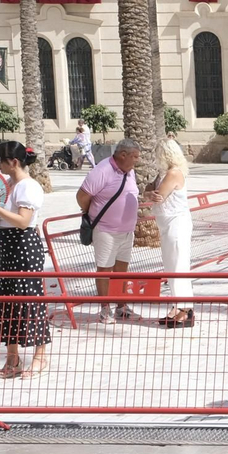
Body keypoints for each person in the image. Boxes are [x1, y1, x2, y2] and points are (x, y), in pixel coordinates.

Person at [0, 141, 51, 378]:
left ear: (14, 162)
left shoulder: (28, 186)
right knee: (8, 299)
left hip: (24, 244)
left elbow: (23, 221)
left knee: (30, 298)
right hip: (8, 244)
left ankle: (40, 356)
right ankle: (12, 358)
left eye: (0, 160)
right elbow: (4, 218)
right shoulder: (9, 185)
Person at [76, 137, 140, 323]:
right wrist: (91, 212)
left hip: (126, 231)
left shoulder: (129, 171)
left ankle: (121, 306)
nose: (137, 160)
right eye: (135, 156)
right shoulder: (103, 170)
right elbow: (82, 196)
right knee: (104, 269)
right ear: (123, 155)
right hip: (106, 230)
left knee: (122, 269)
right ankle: (105, 309)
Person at [146, 137, 195, 328]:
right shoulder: (163, 174)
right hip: (166, 224)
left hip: (177, 223)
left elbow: (158, 195)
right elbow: (149, 190)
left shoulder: (173, 173)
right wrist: (150, 193)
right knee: (171, 266)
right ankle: (177, 305)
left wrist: (150, 193)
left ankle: (185, 308)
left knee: (179, 265)